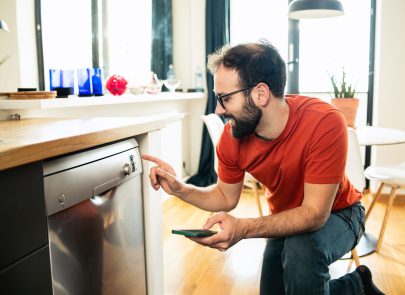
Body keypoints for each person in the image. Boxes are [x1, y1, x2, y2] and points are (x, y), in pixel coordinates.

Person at [142, 40, 384, 295]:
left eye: (224, 99)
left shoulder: (324, 121)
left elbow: (314, 214)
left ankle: (353, 285)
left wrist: (244, 228)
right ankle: (355, 286)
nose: (218, 109)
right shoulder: (232, 138)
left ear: (260, 93)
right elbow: (225, 196)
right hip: (284, 219)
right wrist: (181, 188)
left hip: (341, 213)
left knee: (301, 253)